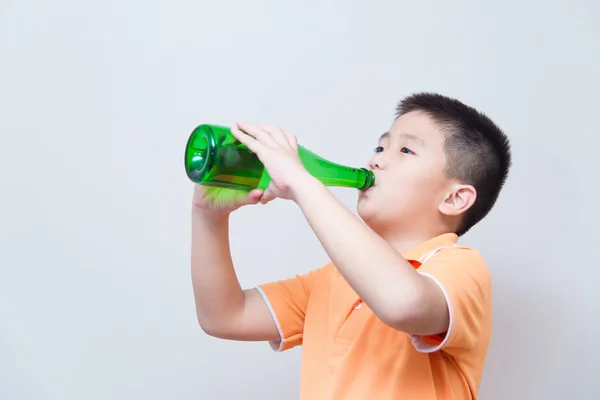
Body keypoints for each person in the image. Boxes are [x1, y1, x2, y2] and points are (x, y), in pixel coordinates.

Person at [190, 92, 512, 399]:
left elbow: (403, 303)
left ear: (455, 198)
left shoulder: (461, 267)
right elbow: (224, 316)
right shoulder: (330, 281)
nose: (376, 160)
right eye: (380, 147)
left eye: (405, 151)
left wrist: (302, 182)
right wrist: (208, 217)